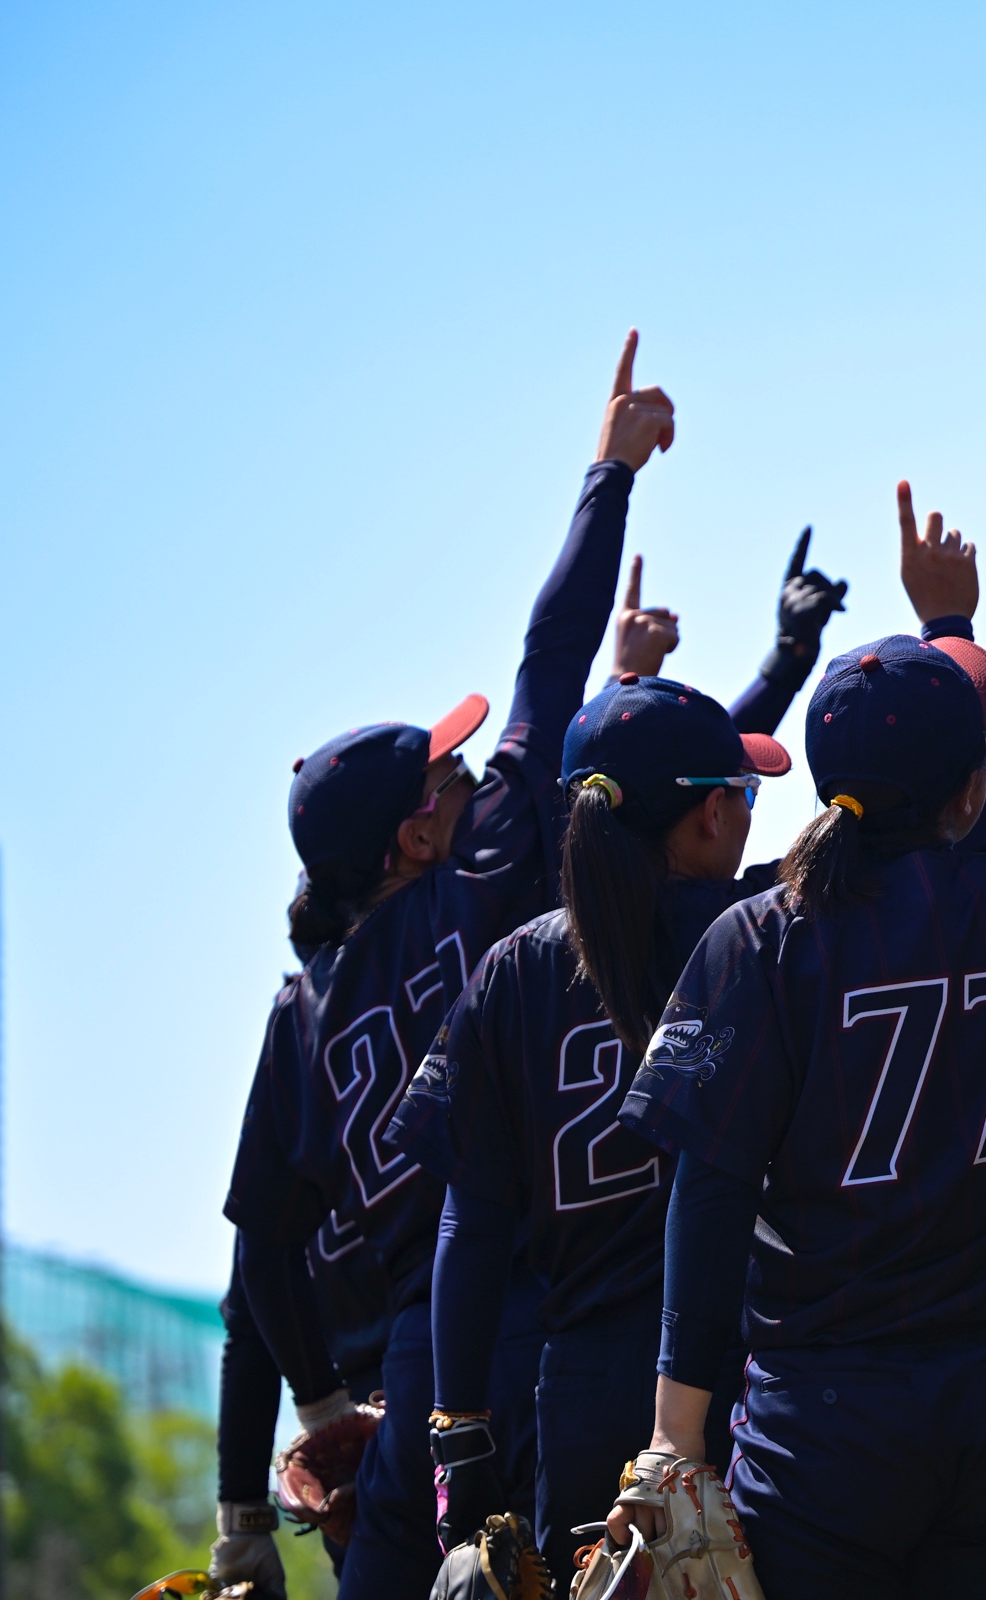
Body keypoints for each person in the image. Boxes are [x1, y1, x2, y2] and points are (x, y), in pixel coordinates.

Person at [605, 376, 986, 1596]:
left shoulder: (760, 934)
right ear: (974, 786)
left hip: (823, 1423)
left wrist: (675, 1434)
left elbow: (709, 1196)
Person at [218, 333, 715, 1598]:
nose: (464, 776)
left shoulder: (299, 1010)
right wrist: (609, 473)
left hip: (413, 1363)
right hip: (537, 1324)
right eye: (444, 775)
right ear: (410, 836)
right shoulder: (483, 874)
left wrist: (314, 1404)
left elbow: (260, 1253)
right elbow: (548, 658)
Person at [386, 518, 846, 1580]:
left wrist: (460, 1441)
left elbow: (470, 1223)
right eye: (740, 792)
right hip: (749, 1378)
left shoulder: (513, 966)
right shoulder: (757, 929)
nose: (748, 807)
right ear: (706, 820)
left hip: (584, 1395)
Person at [208, 1218, 392, 1596]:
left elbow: (255, 1299)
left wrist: (243, 1524)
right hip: (356, 1458)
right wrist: (243, 1520)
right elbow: (254, 1310)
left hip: (363, 1450)